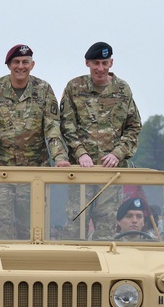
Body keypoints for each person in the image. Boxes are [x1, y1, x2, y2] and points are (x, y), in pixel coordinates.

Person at [0, 44, 70, 239]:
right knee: (3, 230)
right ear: (9, 65)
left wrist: (60, 157)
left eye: (25, 62)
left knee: (32, 230)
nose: (21, 66)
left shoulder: (43, 90)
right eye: (16, 62)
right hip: (0, 170)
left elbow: (52, 127)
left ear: (32, 64)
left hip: (34, 171)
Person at [59, 42, 142, 239]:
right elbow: (66, 124)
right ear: (87, 63)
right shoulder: (75, 87)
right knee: (75, 225)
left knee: (106, 225)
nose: (100, 69)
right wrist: (80, 153)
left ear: (111, 63)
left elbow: (134, 126)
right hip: (81, 170)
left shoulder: (123, 90)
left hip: (110, 172)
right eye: (96, 63)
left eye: (105, 63)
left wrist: (117, 153)